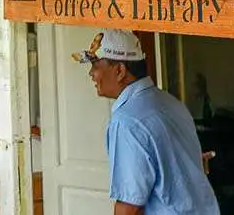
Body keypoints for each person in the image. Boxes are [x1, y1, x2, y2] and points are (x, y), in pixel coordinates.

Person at [74, 29, 220, 215]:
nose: (91, 74)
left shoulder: (127, 121)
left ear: (119, 70)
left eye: (95, 65)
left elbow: (129, 205)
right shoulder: (170, 103)